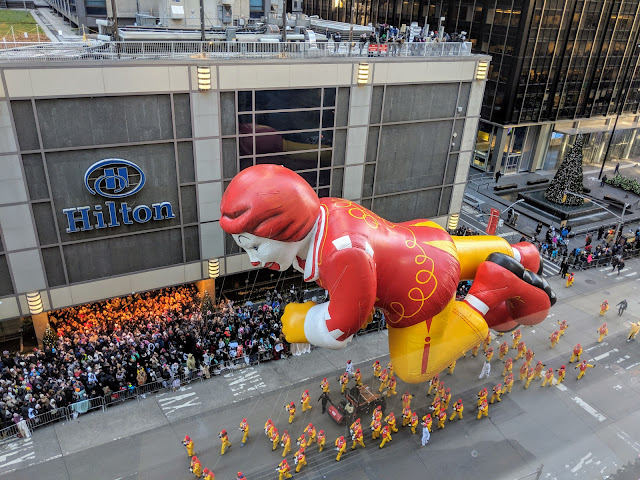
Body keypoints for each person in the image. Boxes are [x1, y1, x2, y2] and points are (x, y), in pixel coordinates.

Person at [220, 164, 553, 385]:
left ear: (285, 228)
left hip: (419, 293)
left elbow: (344, 327)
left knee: (413, 370)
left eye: (256, 247)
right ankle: (519, 255)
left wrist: (300, 323)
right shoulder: (323, 208)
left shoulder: (342, 253)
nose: (252, 260)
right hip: (422, 239)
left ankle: (489, 291)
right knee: (451, 251)